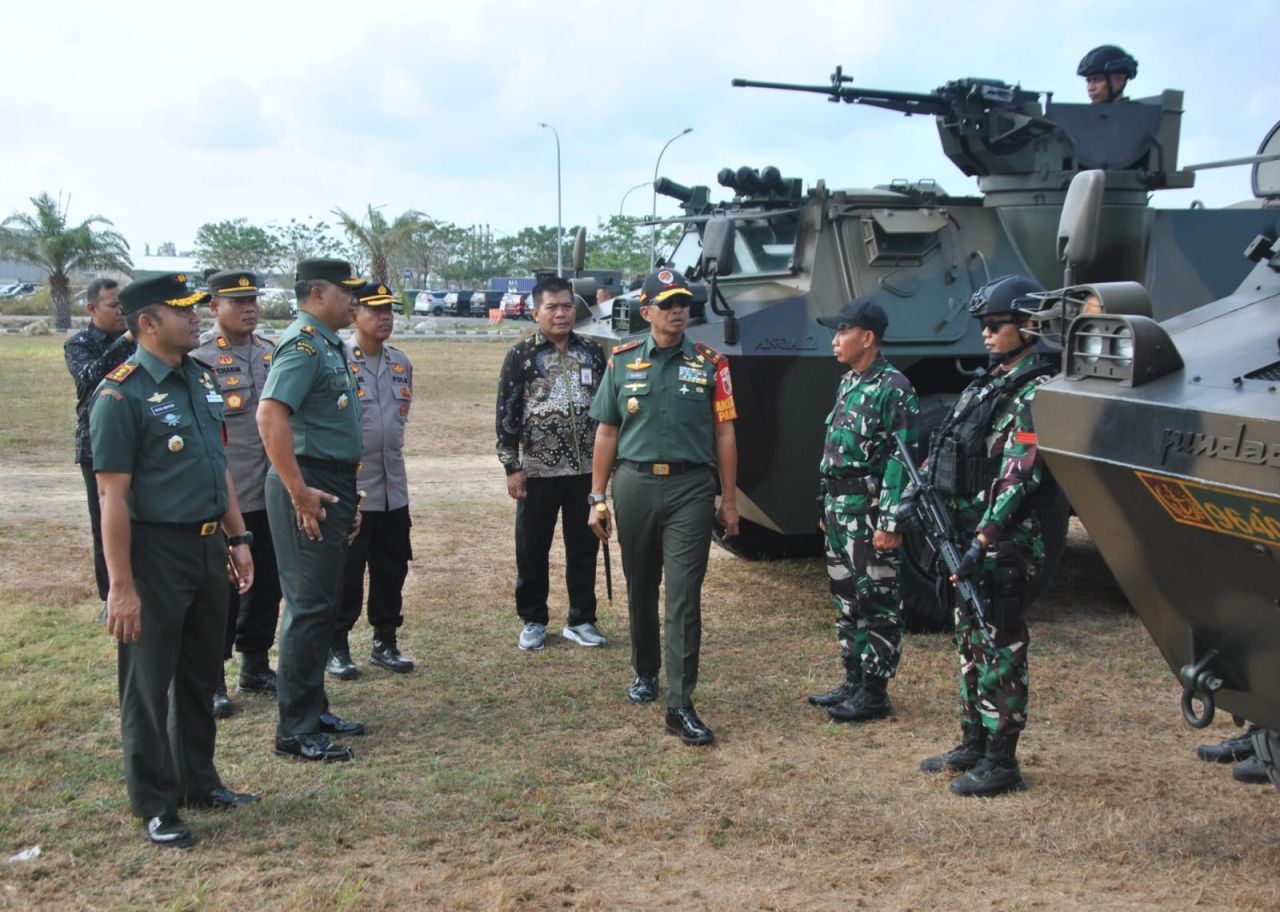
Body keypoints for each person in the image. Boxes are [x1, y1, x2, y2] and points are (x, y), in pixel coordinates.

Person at [89, 273, 259, 849]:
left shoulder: (200, 377)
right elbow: (111, 497)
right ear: (147, 323)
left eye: (195, 309)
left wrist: (237, 538)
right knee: (147, 682)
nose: (195, 318)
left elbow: (217, 466)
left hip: (208, 546)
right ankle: (156, 804)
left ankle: (197, 781)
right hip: (155, 551)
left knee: (199, 671)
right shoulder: (120, 395)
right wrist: (122, 586)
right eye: (182, 310)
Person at [587, 268, 739, 746]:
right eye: (668, 303)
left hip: (691, 489)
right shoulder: (622, 361)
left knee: (683, 595)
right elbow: (607, 432)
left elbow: (724, 433)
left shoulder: (712, 364)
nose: (678, 310)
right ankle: (645, 670)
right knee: (641, 584)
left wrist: (729, 499)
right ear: (646, 310)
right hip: (634, 485)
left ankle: (680, 703)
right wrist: (597, 497)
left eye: (684, 303)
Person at [919, 275, 1058, 797]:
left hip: (1003, 542)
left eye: (996, 324)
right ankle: (973, 741)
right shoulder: (986, 385)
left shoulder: (1036, 392)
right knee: (970, 641)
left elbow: (1020, 475)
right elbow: (947, 444)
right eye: (983, 324)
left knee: (1000, 644)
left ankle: (1002, 760)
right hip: (966, 537)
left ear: (1028, 326)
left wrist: (983, 538)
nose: (986, 333)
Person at [257, 258, 366, 763]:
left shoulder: (327, 343)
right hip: (307, 483)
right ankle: (294, 730)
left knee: (322, 603)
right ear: (318, 293)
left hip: (330, 482)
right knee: (307, 606)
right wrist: (298, 491)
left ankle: (313, 709)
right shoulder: (301, 345)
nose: (354, 301)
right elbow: (270, 415)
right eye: (347, 292)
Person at [807, 299, 919, 723]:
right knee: (847, 599)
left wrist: (891, 521)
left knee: (877, 599)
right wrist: (824, 501)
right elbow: (835, 449)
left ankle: (874, 692)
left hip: (870, 513)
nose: (835, 340)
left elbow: (901, 461)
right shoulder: (849, 382)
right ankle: (853, 680)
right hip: (840, 509)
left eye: (843, 331)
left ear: (867, 337)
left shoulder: (895, 388)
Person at [496, 275, 607, 652]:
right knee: (532, 548)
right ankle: (533, 619)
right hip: (538, 471)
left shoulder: (592, 352)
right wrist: (511, 466)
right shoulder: (521, 356)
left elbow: (606, 409)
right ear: (536, 312)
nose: (561, 314)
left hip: (586, 471)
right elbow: (507, 413)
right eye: (552, 307)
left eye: (567, 306)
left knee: (584, 548)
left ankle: (581, 619)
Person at [191, 270, 281, 719]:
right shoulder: (198, 358)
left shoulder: (271, 353)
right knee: (223, 592)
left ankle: (256, 664)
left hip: (271, 491)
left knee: (268, 585)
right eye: (237, 301)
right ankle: (212, 678)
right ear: (214, 307)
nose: (249, 308)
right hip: (229, 498)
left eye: (253, 301)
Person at [329, 282, 416, 678]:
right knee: (346, 572)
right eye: (375, 310)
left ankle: (385, 641)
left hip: (392, 486)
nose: (384, 317)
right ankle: (337, 645)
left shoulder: (401, 363)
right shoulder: (337, 361)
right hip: (352, 488)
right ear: (354, 315)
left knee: (392, 568)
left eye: (389, 310)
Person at [65, 278, 135, 617]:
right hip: (96, 445)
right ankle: (111, 596)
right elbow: (89, 377)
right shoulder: (79, 344)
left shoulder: (139, 341)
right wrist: (126, 341)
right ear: (92, 308)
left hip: (136, 440)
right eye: (113, 305)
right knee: (105, 520)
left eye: (124, 305)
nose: (121, 312)